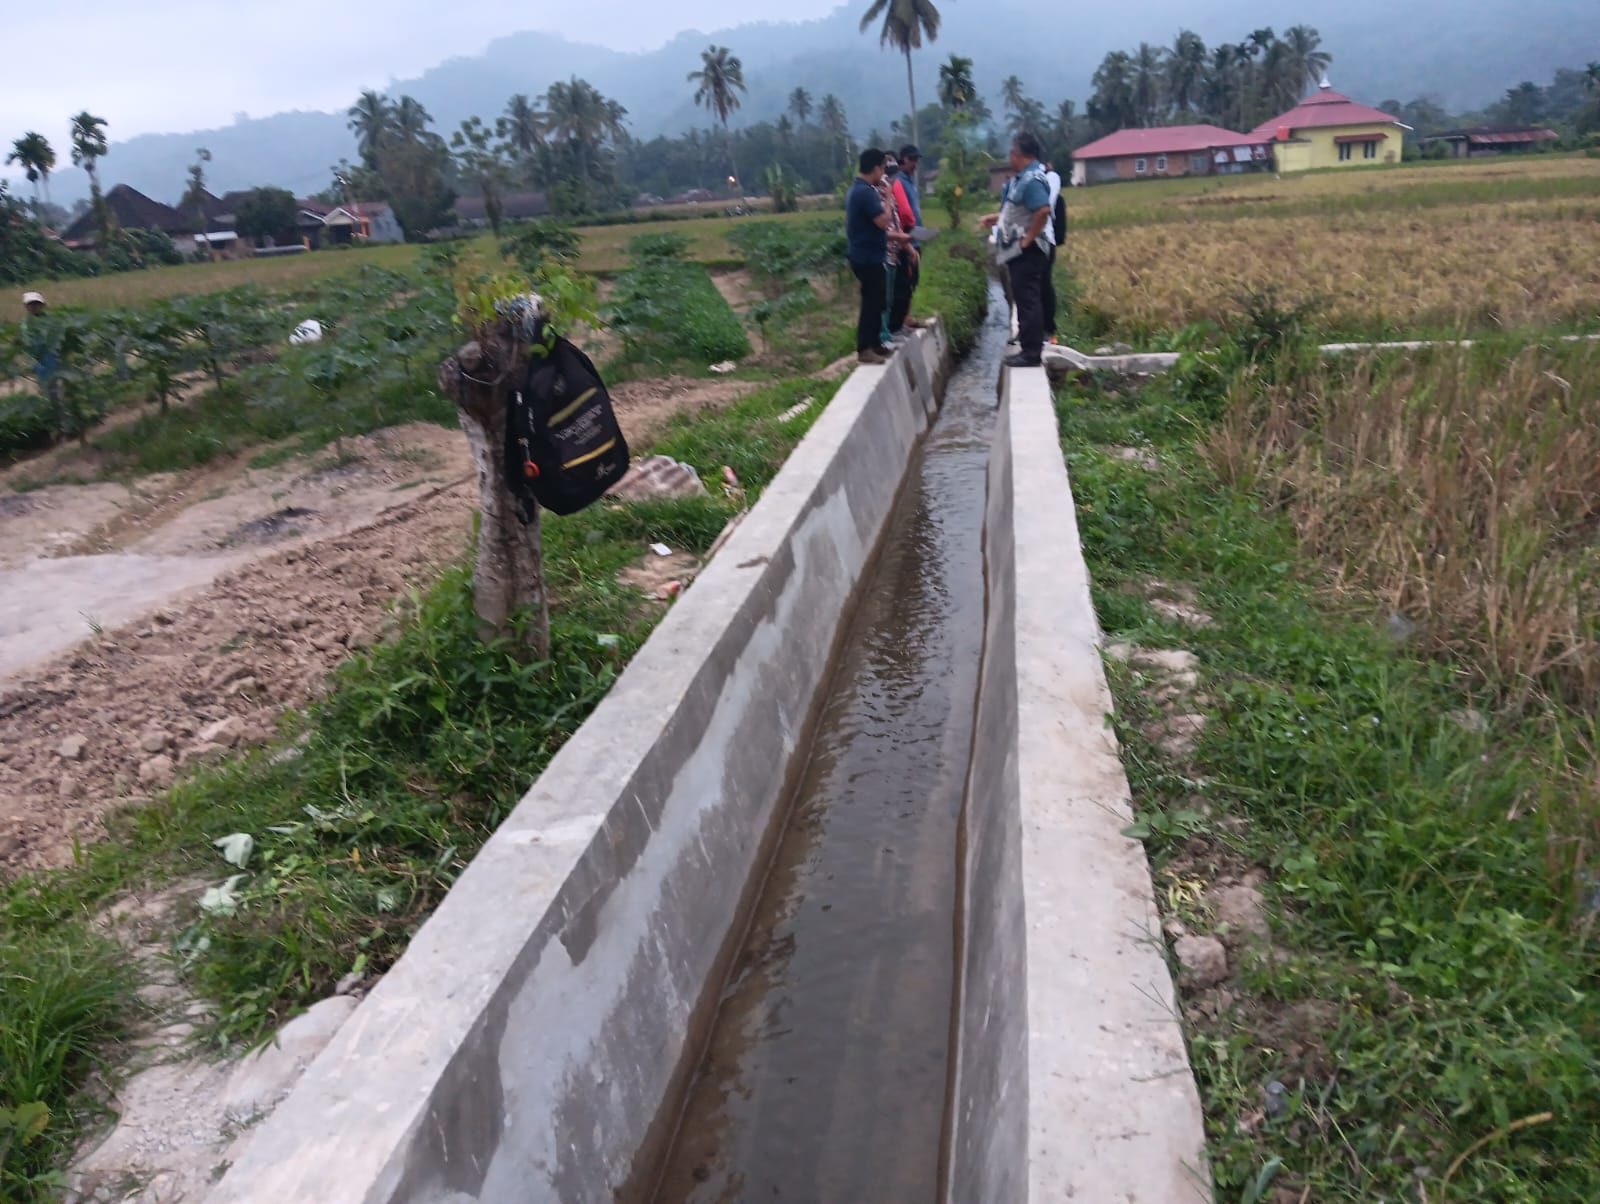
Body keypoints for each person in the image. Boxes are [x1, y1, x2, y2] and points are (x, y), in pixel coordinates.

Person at [980, 133, 1054, 368]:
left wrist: (1028, 239)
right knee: (1023, 299)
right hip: (1018, 252)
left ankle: (1031, 353)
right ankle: (1028, 346)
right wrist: (998, 219)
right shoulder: (1022, 178)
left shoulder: (1031, 179)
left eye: (1012, 152)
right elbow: (1021, 211)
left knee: (1028, 300)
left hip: (1026, 252)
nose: (1010, 156)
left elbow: (1042, 210)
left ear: (1020, 154)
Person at [846, 148, 911, 365]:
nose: (883, 173)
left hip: (871, 255)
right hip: (866, 257)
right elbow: (882, 221)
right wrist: (889, 197)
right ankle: (865, 348)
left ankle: (874, 343)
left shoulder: (862, 190)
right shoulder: (864, 192)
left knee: (879, 300)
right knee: (872, 302)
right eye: (882, 168)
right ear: (875, 168)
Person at [891, 144, 926, 336]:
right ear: (902, 159)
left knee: (912, 280)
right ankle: (902, 320)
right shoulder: (899, 182)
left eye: (916, 160)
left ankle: (907, 317)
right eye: (912, 160)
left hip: (915, 237)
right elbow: (905, 214)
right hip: (908, 238)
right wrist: (911, 234)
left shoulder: (910, 182)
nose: (915, 164)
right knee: (906, 281)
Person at [1042, 160, 1064, 343]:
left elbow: (1044, 207)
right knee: (1034, 288)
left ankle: (1049, 331)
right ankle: (1038, 330)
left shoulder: (1052, 178)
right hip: (1034, 240)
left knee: (1044, 285)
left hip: (1044, 240)